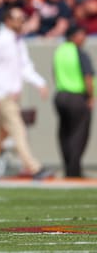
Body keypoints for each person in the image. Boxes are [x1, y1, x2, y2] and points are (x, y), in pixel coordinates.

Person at [0, 5, 52, 180]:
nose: (22, 22)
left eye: (23, 19)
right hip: (3, 96)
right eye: (18, 18)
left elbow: (25, 67)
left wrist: (40, 83)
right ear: (8, 21)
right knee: (19, 131)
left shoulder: (18, 41)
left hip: (12, 98)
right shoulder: (0, 40)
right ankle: (34, 168)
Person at [53, 23, 93, 178]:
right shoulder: (79, 53)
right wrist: (90, 96)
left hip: (61, 95)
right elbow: (87, 76)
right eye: (81, 34)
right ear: (73, 36)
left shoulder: (59, 51)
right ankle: (74, 172)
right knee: (79, 135)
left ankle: (67, 167)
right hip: (77, 97)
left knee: (65, 133)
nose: (84, 38)